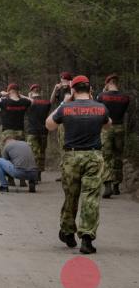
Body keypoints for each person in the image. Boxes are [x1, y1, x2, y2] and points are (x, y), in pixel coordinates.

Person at [46, 75, 111, 254]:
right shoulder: (100, 108)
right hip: (93, 156)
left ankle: (67, 231)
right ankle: (87, 239)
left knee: (71, 196)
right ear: (90, 90)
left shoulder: (66, 108)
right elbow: (108, 126)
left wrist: (63, 103)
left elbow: (49, 125)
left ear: (73, 90)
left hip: (71, 157)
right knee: (90, 198)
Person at [96, 74, 130, 198]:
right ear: (117, 83)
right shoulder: (125, 98)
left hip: (106, 128)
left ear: (107, 83)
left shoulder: (101, 96)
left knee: (106, 156)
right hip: (120, 127)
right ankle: (116, 185)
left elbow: (98, 109)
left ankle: (108, 185)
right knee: (118, 156)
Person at [25, 84, 51, 181]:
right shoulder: (46, 102)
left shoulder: (29, 103)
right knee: (42, 153)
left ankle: (34, 174)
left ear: (31, 92)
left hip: (32, 131)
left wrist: (28, 97)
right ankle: (39, 173)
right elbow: (50, 103)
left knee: (32, 153)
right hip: (44, 131)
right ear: (40, 92)